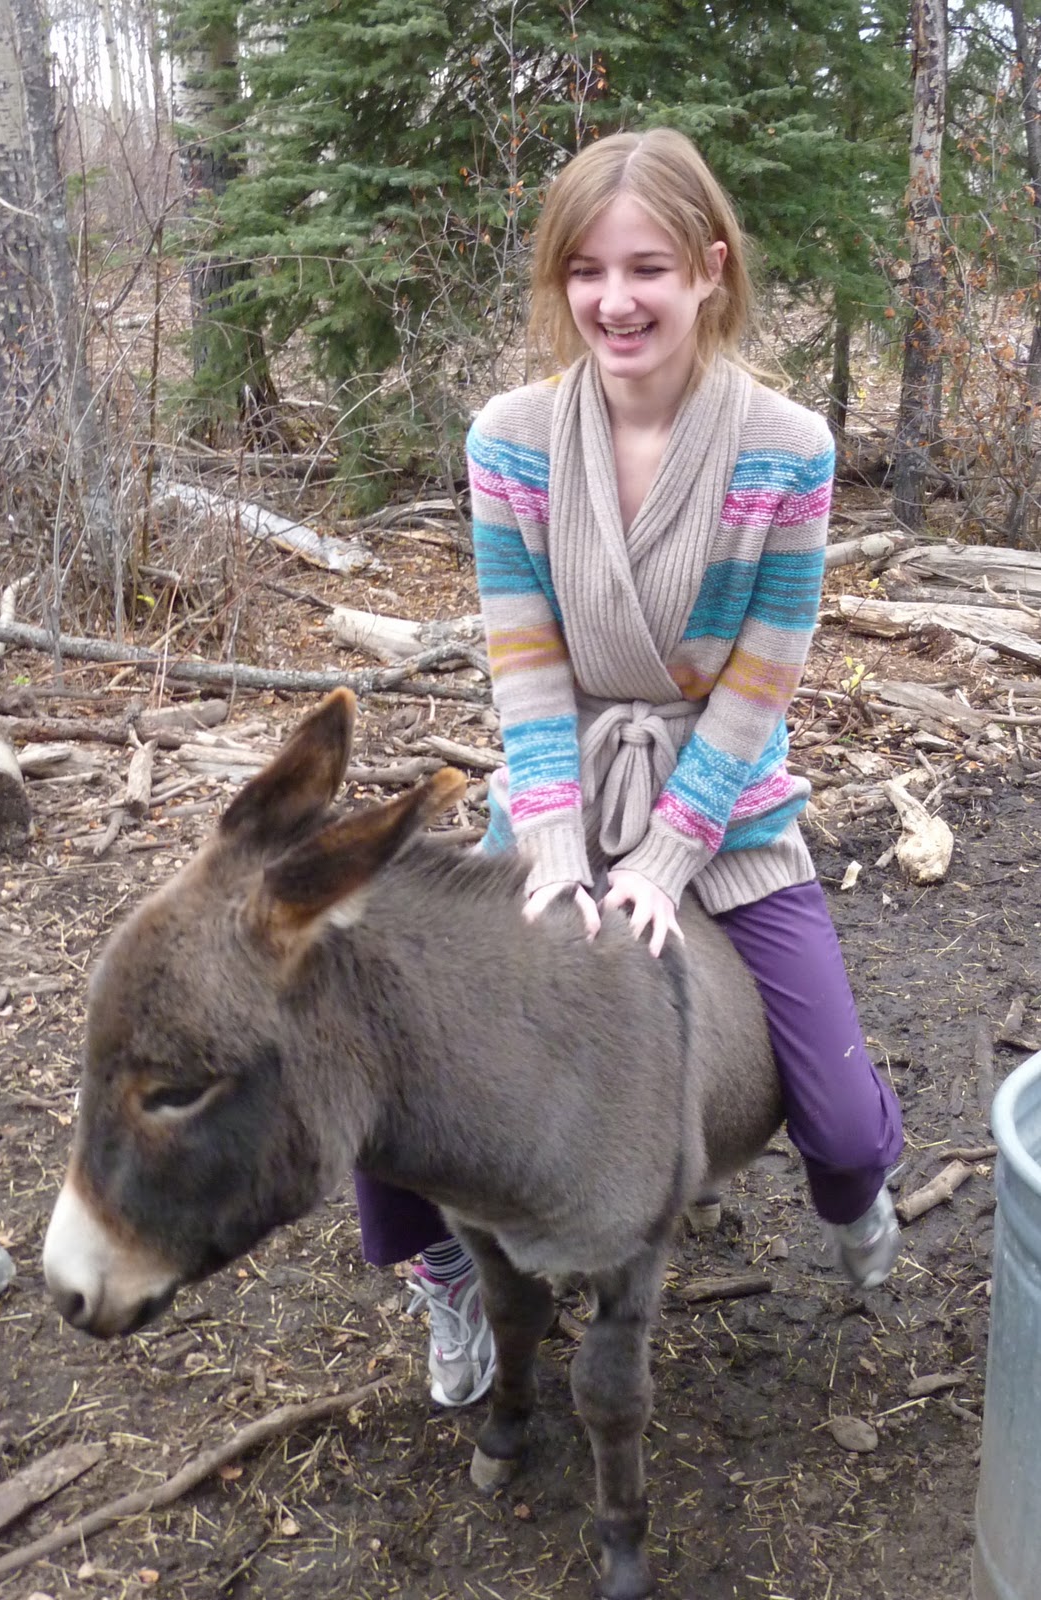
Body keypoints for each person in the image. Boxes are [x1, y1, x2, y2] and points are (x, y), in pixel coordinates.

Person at [354, 126, 904, 1407]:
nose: (614, 300)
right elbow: (524, 660)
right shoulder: (509, 439)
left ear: (709, 269)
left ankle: (856, 1192)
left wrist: (666, 856)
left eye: (647, 267)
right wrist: (551, 843)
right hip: (557, 784)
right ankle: (446, 1272)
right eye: (586, 270)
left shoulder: (786, 448)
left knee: (835, 1120)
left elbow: (761, 680)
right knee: (397, 1032)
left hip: (726, 796)